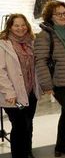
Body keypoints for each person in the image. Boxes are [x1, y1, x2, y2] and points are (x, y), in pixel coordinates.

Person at [34, 0, 65, 158]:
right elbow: (40, 61)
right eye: (58, 14)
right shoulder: (45, 34)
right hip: (59, 83)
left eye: (64, 13)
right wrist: (47, 84)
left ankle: (60, 146)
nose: (63, 16)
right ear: (50, 16)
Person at [0, 14, 41, 158]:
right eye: (16, 25)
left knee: (28, 124)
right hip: (13, 95)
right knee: (19, 126)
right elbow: (1, 71)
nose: (20, 28)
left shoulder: (31, 41)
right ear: (10, 26)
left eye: (23, 25)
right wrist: (9, 92)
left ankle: (28, 152)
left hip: (30, 92)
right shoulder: (3, 43)